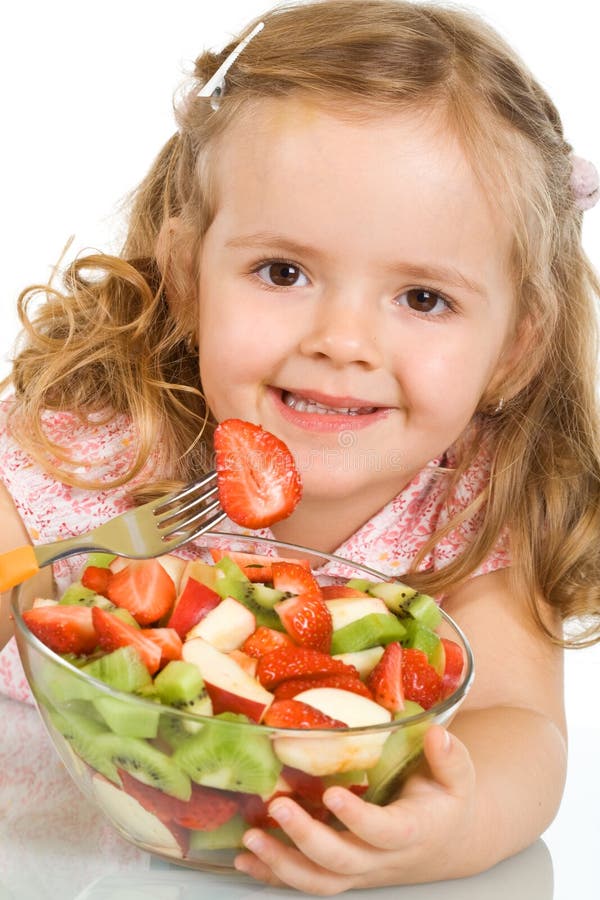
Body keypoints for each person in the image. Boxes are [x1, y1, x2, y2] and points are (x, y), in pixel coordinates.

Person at [1, 0, 599, 892]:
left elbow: (523, 729)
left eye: (424, 298)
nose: (342, 341)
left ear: (515, 347)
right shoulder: (85, 458)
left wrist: (451, 822)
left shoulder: (471, 512)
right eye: (283, 272)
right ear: (187, 280)